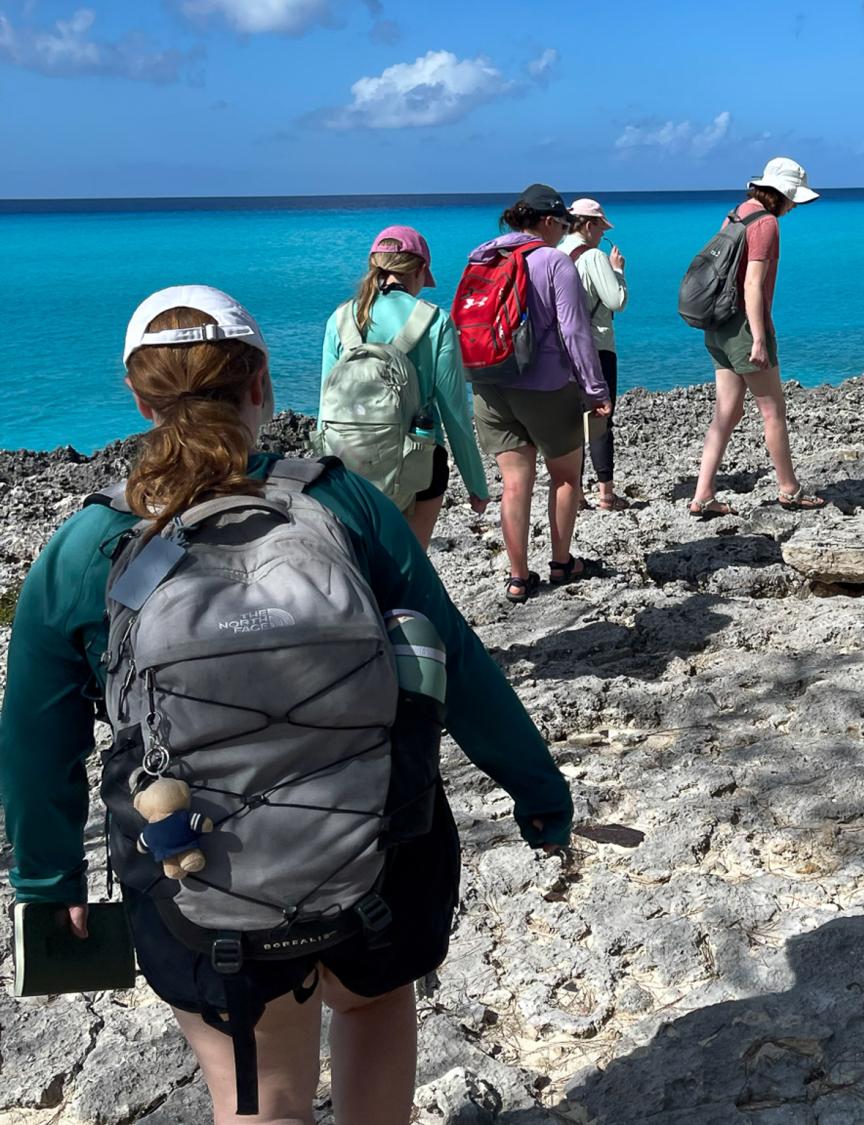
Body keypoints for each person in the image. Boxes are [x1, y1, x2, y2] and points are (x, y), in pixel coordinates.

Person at [0, 286, 573, 1125]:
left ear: (140, 398)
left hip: (196, 885)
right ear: (262, 380)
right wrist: (539, 794)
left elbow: (36, 739)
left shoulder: (89, 549)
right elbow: (457, 664)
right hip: (379, 865)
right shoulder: (344, 505)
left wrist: (48, 881)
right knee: (374, 1003)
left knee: (260, 1093)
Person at [467, 184, 611, 603]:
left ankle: (517, 577)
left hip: (489, 384)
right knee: (565, 476)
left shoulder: (482, 255)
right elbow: (574, 331)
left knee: (514, 485)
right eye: (563, 224)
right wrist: (594, 388)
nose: (564, 231)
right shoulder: (554, 262)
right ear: (548, 221)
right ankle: (562, 562)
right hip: (545, 386)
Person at [321, 225, 490, 549]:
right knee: (409, 570)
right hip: (418, 467)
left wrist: (327, 479)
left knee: (362, 570)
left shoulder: (340, 319)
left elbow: (324, 410)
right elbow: (455, 414)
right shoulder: (435, 321)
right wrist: (476, 486)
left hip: (351, 467)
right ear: (421, 270)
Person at [688, 157, 826, 518]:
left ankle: (702, 495)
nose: (795, 206)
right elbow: (751, 284)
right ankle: (789, 489)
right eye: (793, 199)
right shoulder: (765, 224)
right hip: (743, 328)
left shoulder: (736, 214)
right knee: (773, 411)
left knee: (726, 412)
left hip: (717, 325)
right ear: (780, 194)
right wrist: (759, 338)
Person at [559, 198, 630, 512]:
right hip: (597, 345)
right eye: (601, 227)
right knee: (600, 419)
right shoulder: (594, 256)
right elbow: (616, 302)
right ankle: (606, 493)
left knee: (570, 422)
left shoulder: (555, 252)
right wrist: (618, 272)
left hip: (561, 348)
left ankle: (574, 494)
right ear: (588, 225)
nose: (603, 233)